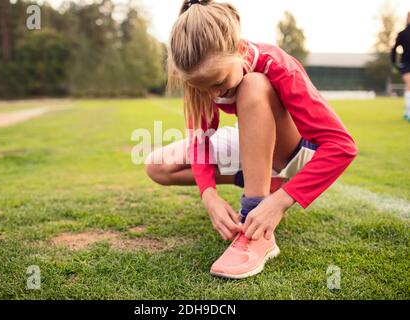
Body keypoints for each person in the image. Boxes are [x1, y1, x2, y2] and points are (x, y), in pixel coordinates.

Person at [145, 0, 357, 279]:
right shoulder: (201, 74)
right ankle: (267, 182)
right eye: (200, 88)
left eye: (218, 84)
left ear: (237, 50)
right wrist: (208, 194)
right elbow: (201, 140)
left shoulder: (277, 65)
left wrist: (281, 200)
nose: (211, 95)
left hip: (296, 153)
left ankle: (257, 228)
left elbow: (341, 146)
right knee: (157, 165)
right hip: (258, 143)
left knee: (252, 86)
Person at [391, 11, 410, 121]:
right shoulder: (403, 33)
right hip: (406, 64)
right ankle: (408, 113)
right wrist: (395, 63)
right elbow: (394, 49)